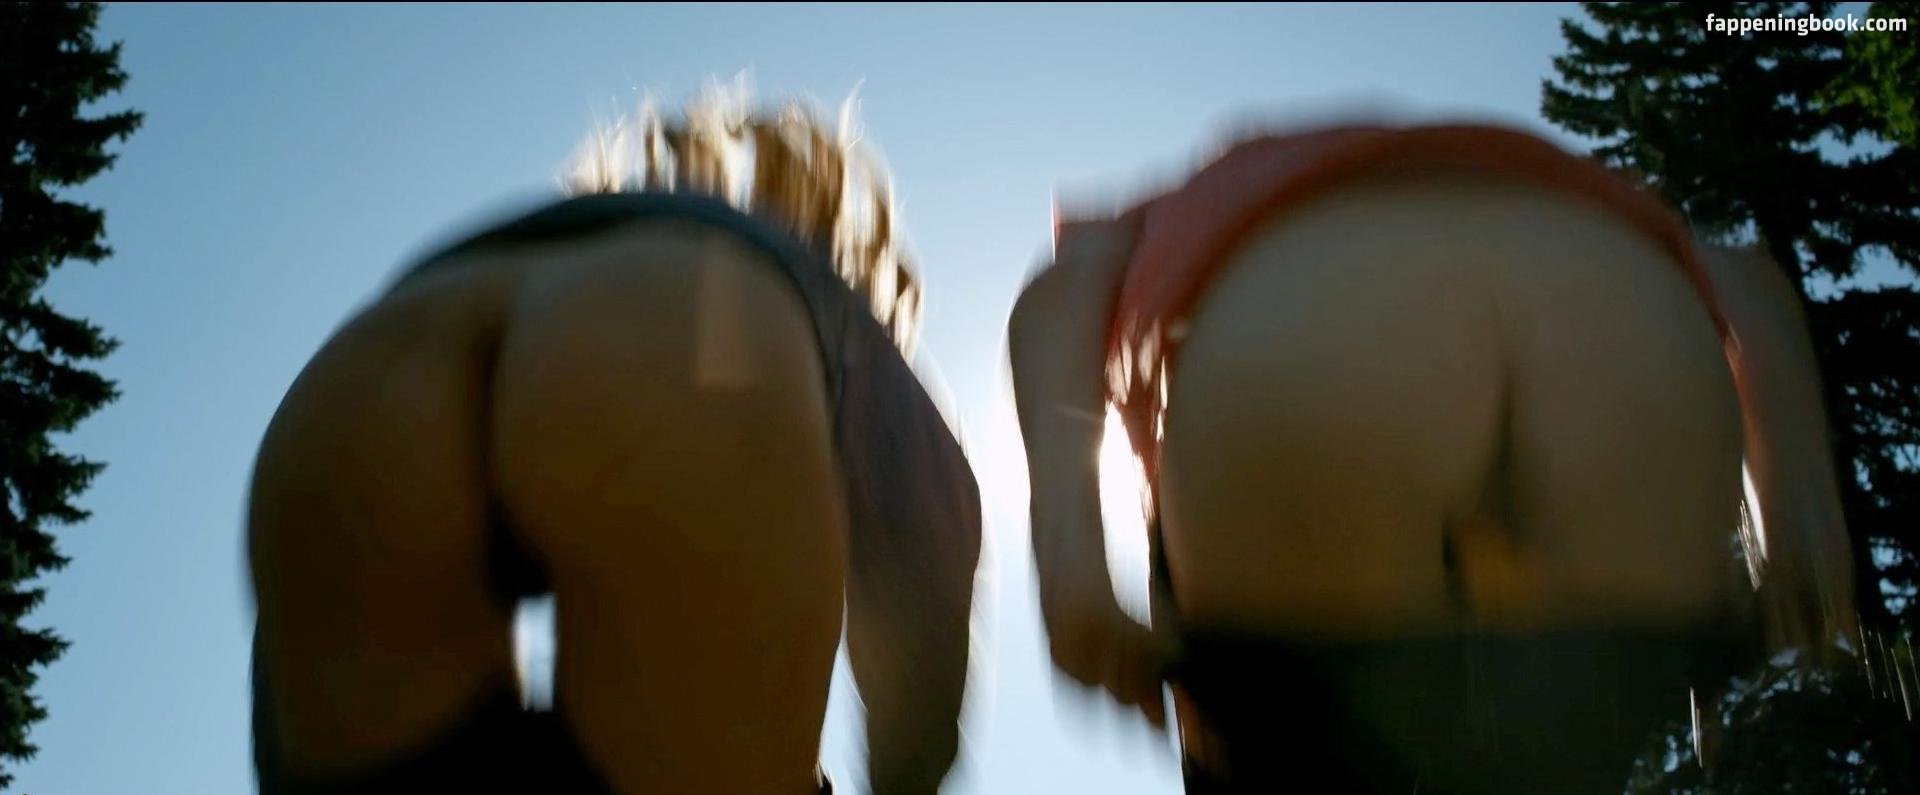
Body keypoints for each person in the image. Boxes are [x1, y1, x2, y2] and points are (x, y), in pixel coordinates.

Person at [1008, 123, 1861, 793]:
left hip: (1309, 352)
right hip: (1627, 331)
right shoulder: (1549, 180)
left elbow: (1059, 292)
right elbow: (1744, 277)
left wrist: (1070, 561)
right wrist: (1802, 514)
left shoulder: (1181, 208)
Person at [247, 90, 980, 795]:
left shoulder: (563, 236)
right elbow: (929, 525)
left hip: (375, 352)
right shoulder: (811, 291)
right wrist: (909, 773)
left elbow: (299, 654)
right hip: (678, 336)